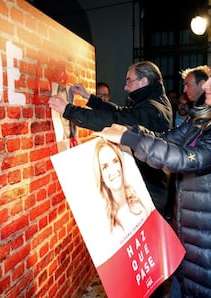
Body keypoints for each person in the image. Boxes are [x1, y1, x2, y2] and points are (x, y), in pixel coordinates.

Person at [95, 51, 211, 297]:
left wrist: (127, 137)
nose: (205, 85)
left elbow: (186, 160)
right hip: (192, 228)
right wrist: (129, 130)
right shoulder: (202, 120)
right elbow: (165, 141)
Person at [48, 61, 173, 219]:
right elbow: (122, 112)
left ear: (144, 81)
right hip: (155, 185)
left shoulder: (153, 109)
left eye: (129, 81)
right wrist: (90, 98)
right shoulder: (156, 102)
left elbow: (117, 119)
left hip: (153, 189)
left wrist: (69, 110)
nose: (125, 88)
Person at [93, 138, 150, 236]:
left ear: (121, 164)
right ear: (101, 176)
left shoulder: (140, 203)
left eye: (115, 161)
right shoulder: (107, 225)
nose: (113, 170)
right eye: (105, 167)